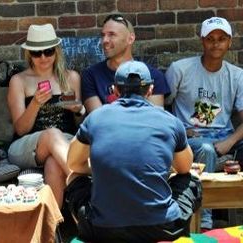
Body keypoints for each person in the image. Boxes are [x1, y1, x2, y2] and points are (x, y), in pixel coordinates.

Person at [65, 60, 202, 242]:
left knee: (73, 178)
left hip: (102, 230)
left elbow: (73, 164)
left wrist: (102, 170)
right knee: (191, 180)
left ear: (115, 90)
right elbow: (185, 168)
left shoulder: (95, 118)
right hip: (162, 228)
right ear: (150, 90)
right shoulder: (170, 121)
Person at [165, 16, 243, 231]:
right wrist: (180, 130)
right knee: (206, 149)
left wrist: (229, 142)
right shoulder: (180, 69)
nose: (216, 43)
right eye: (210, 38)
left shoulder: (237, 76)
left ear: (230, 42)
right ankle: (206, 222)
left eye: (221, 38)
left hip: (224, 137)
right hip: (191, 138)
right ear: (202, 41)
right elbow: (160, 107)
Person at [7, 23, 83, 208]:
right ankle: (82, 184)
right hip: (26, 145)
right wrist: (35, 104)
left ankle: (52, 228)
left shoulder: (71, 78)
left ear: (56, 51)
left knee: (53, 163)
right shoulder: (19, 81)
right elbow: (20, 129)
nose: (43, 57)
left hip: (64, 143)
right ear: (29, 54)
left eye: (48, 51)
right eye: (36, 52)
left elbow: (80, 125)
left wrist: (78, 110)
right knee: (51, 133)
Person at [81, 14, 169, 114]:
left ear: (130, 39)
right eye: (103, 35)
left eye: (111, 34)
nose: (104, 40)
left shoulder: (153, 76)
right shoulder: (91, 75)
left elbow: (155, 120)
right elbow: (97, 120)